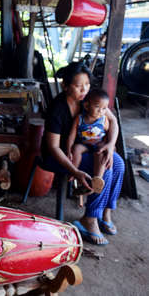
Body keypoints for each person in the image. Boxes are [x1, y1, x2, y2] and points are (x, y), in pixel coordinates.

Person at [42, 62, 124, 245]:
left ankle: (105, 211)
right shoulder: (58, 109)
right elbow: (53, 147)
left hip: (86, 149)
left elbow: (113, 121)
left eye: (87, 85)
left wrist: (110, 144)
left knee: (118, 163)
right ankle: (90, 218)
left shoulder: (89, 101)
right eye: (78, 86)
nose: (84, 89)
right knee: (106, 168)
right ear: (65, 86)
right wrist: (74, 170)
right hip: (60, 155)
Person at [66, 88, 112, 198]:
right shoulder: (79, 119)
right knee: (76, 149)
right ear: (87, 106)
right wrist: (68, 150)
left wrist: (108, 146)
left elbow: (108, 135)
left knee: (100, 153)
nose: (100, 111)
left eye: (104, 108)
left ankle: (96, 181)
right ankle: (74, 174)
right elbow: (71, 136)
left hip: (98, 143)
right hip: (84, 144)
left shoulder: (104, 120)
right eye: (97, 107)